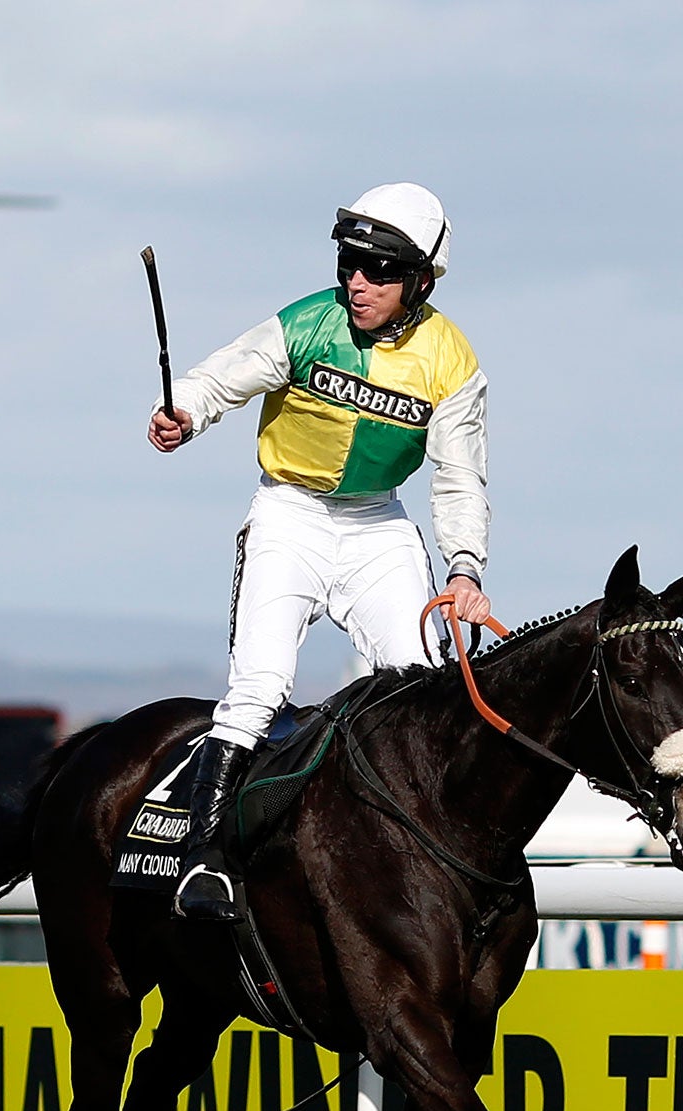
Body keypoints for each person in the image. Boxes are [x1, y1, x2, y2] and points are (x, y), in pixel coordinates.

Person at [147, 184, 495, 922]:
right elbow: (220, 377)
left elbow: (460, 478)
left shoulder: (453, 362)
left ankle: (413, 862)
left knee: (417, 689)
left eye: (377, 270)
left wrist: (464, 569)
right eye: (349, 264)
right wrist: (184, 412)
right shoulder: (309, 321)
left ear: (421, 282)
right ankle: (203, 863)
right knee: (259, 687)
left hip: (379, 527)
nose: (356, 283)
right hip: (289, 515)